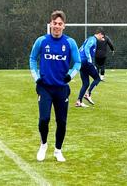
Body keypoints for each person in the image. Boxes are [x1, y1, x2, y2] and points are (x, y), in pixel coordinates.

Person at [29, 10, 81, 162]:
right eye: (55, 23)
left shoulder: (70, 42)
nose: (57, 26)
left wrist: (70, 76)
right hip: (45, 87)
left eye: (60, 24)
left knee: (62, 121)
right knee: (44, 119)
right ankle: (43, 144)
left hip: (61, 88)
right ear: (50, 24)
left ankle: (58, 150)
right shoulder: (41, 41)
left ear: (64, 26)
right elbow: (32, 58)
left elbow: (78, 62)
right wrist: (36, 77)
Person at [75, 27, 105, 107]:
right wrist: (89, 60)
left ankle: (79, 101)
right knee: (97, 78)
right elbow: (86, 48)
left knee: (86, 83)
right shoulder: (93, 39)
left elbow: (80, 49)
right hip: (86, 62)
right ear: (99, 34)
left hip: (81, 62)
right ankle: (88, 94)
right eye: (102, 37)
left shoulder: (89, 38)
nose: (102, 39)